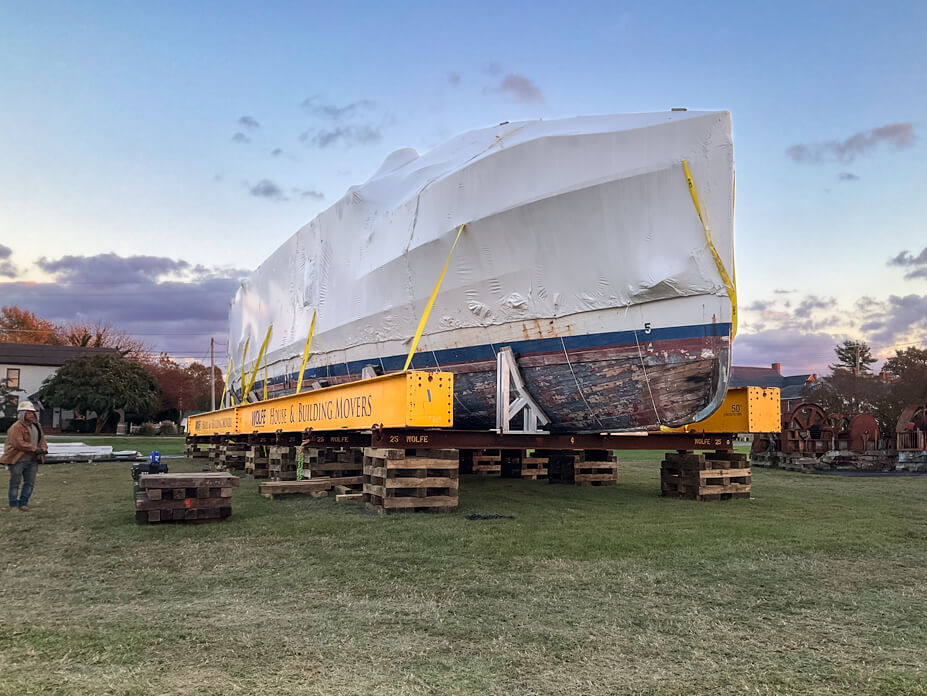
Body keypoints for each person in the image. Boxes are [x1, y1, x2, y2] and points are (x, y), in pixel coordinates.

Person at [1, 401, 47, 512]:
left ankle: (23, 503)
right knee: (15, 483)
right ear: (22, 414)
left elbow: (41, 439)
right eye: (29, 412)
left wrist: (44, 448)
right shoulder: (15, 427)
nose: (32, 415)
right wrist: (35, 449)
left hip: (32, 460)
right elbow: (19, 443)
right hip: (18, 460)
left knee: (29, 483)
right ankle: (13, 505)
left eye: (33, 412)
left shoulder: (37, 426)